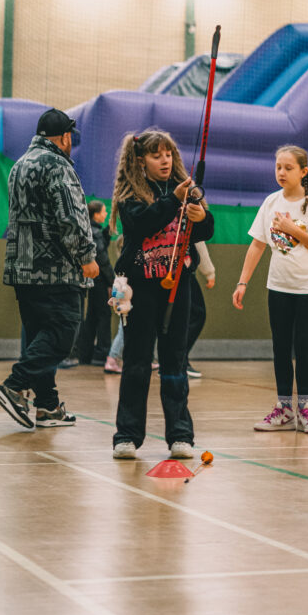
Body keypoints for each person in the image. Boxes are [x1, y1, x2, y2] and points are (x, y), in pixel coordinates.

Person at [110, 129, 214, 459]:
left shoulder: (185, 187)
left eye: (168, 153)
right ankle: (126, 435)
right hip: (141, 288)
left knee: (174, 360)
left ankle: (180, 434)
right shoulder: (132, 193)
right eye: (157, 155)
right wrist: (173, 201)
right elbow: (143, 224)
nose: (165, 160)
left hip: (177, 286)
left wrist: (200, 216)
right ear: (141, 161)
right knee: (137, 363)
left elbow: (206, 228)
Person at [0, 108, 99, 428]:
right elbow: (70, 217)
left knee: (40, 333)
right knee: (64, 332)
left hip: (23, 267)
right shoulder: (57, 165)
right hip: (56, 268)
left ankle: (47, 405)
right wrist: (86, 256)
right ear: (65, 137)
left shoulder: (18, 166)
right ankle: (14, 385)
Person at [233, 144, 308, 434]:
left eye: (288, 168)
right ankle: (284, 409)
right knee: (280, 347)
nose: (281, 172)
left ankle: (306, 408)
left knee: (303, 346)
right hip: (278, 287)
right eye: (278, 167)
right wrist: (243, 282)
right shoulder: (270, 203)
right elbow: (257, 244)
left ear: (303, 171)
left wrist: (294, 231)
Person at [77, 200, 114, 365]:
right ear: (96, 214)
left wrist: (107, 233)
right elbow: (102, 258)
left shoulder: (91, 230)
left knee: (92, 316)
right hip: (100, 280)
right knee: (104, 315)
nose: (105, 214)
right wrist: (112, 281)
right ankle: (102, 353)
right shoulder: (95, 232)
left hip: (92, 280)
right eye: (104, 212)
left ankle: (85, 353)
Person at [184, 242, 216, 379]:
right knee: (197, 314)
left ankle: (172, 362)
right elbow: (198, 242)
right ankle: (178, 361)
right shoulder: (188, 219)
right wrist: (209, 272)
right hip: (181, 270)